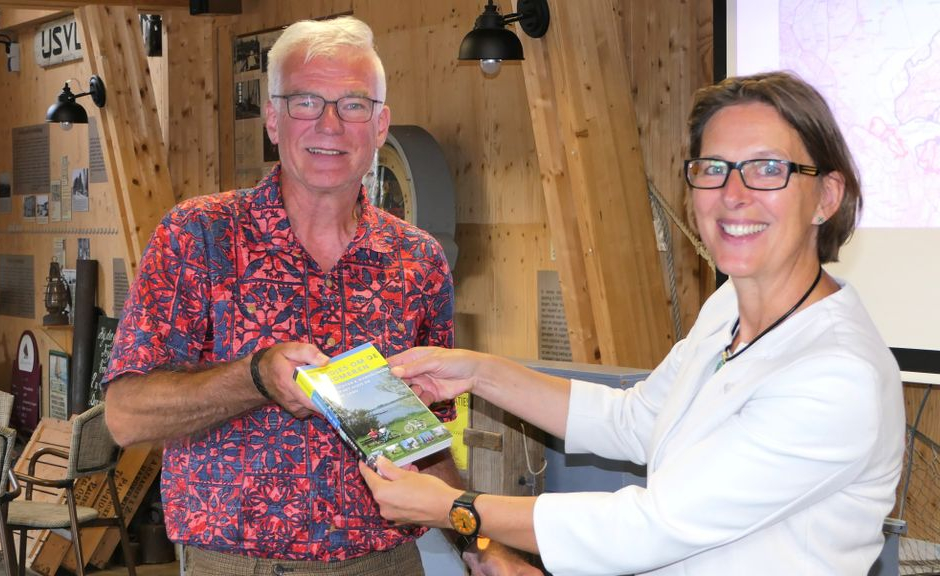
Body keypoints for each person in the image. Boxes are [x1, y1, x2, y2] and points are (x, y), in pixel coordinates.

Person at [360, 71, 906, 575]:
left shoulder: (837, 375)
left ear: (826, 197)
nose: (733, 195)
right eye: (713, 169)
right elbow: (634, 420)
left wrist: (457, 508)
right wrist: (478, 373)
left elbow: (651, 525)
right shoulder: (728, 310)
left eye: (767, 168)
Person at [103, 16, 534, 576]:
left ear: (380, 125)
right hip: (238, 565)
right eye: (306, 101)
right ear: (273, 119)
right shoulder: (198, 236)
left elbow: (417, 441)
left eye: (353, 105)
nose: (330, 125)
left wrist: (481, 547)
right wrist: (255, 378)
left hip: (387, 562)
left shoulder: (418, 262)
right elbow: (125, 417)